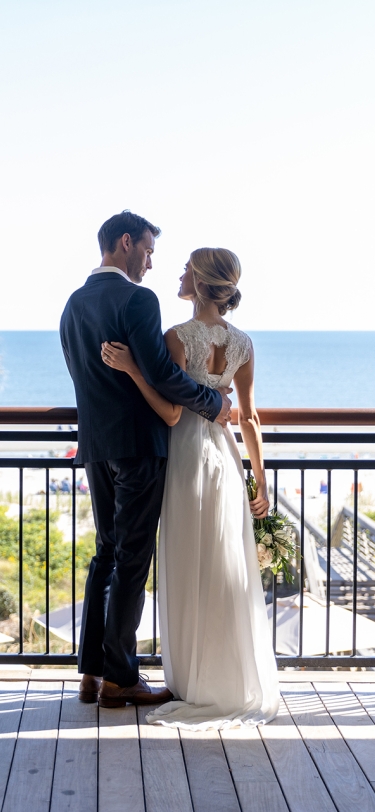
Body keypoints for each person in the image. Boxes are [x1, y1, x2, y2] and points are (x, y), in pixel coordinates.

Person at [101, 247, 279, 730]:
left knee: (185, 561)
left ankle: (191, 682)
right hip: (225, 457)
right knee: (222, 564)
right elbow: (248, 418)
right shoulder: (243, 343)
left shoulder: (177, 337)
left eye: (185, 270)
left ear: (200, 284)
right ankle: (224, 679)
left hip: (183, 458)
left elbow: (171, 412)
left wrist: (134, 370)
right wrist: (259, 480)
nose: (177, 275)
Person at [60, 211, 232, 707]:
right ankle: (120, 679)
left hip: (96, 446)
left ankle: (91, 674)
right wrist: (214, 403)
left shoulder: (73, 304)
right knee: (131, 560)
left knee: (106, 556)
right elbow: (161, 374)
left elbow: (81, 377)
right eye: (149, 251)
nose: (152, 263)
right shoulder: (137, 299)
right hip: (139, 445)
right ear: (125, 242)